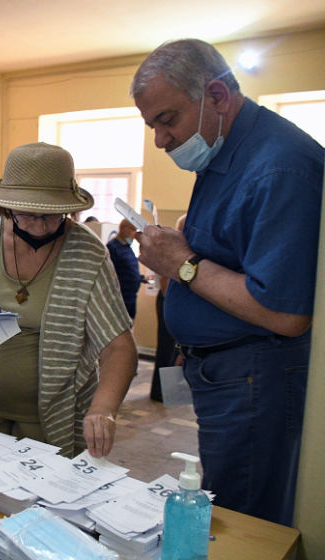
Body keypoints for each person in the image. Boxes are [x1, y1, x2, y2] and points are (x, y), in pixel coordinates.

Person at [131, 38, 324, 526]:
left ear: (216, 95)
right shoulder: (224, 153)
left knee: (243, 521)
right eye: (152, 125)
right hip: (225, 373)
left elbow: (285, 312)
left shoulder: (280, 166)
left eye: (168, 120)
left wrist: (183, 264)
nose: (160, 140)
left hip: (256, 376)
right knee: (227, 496)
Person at [0, 143, 137, 458]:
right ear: (7, 207)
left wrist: (103, 409)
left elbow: (120, 347)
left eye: (50, 216)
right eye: (27, 215)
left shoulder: (87, 253)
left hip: (51, 421)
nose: (38, 226)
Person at [150, 213, 186, 402]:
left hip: (172, 301)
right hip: (168, 301)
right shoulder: (170, 249)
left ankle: (170, 392)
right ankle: (161, 392)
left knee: (173, 350)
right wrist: (171, 304)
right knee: (166, 348)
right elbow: (165, 279)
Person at [106, 219, 142, 320]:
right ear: (123, 228)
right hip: (120, 300)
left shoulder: (127, 247)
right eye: (133, 230)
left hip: (131, 298)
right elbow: (109, 275)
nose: (135, 234)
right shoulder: (112, 248)